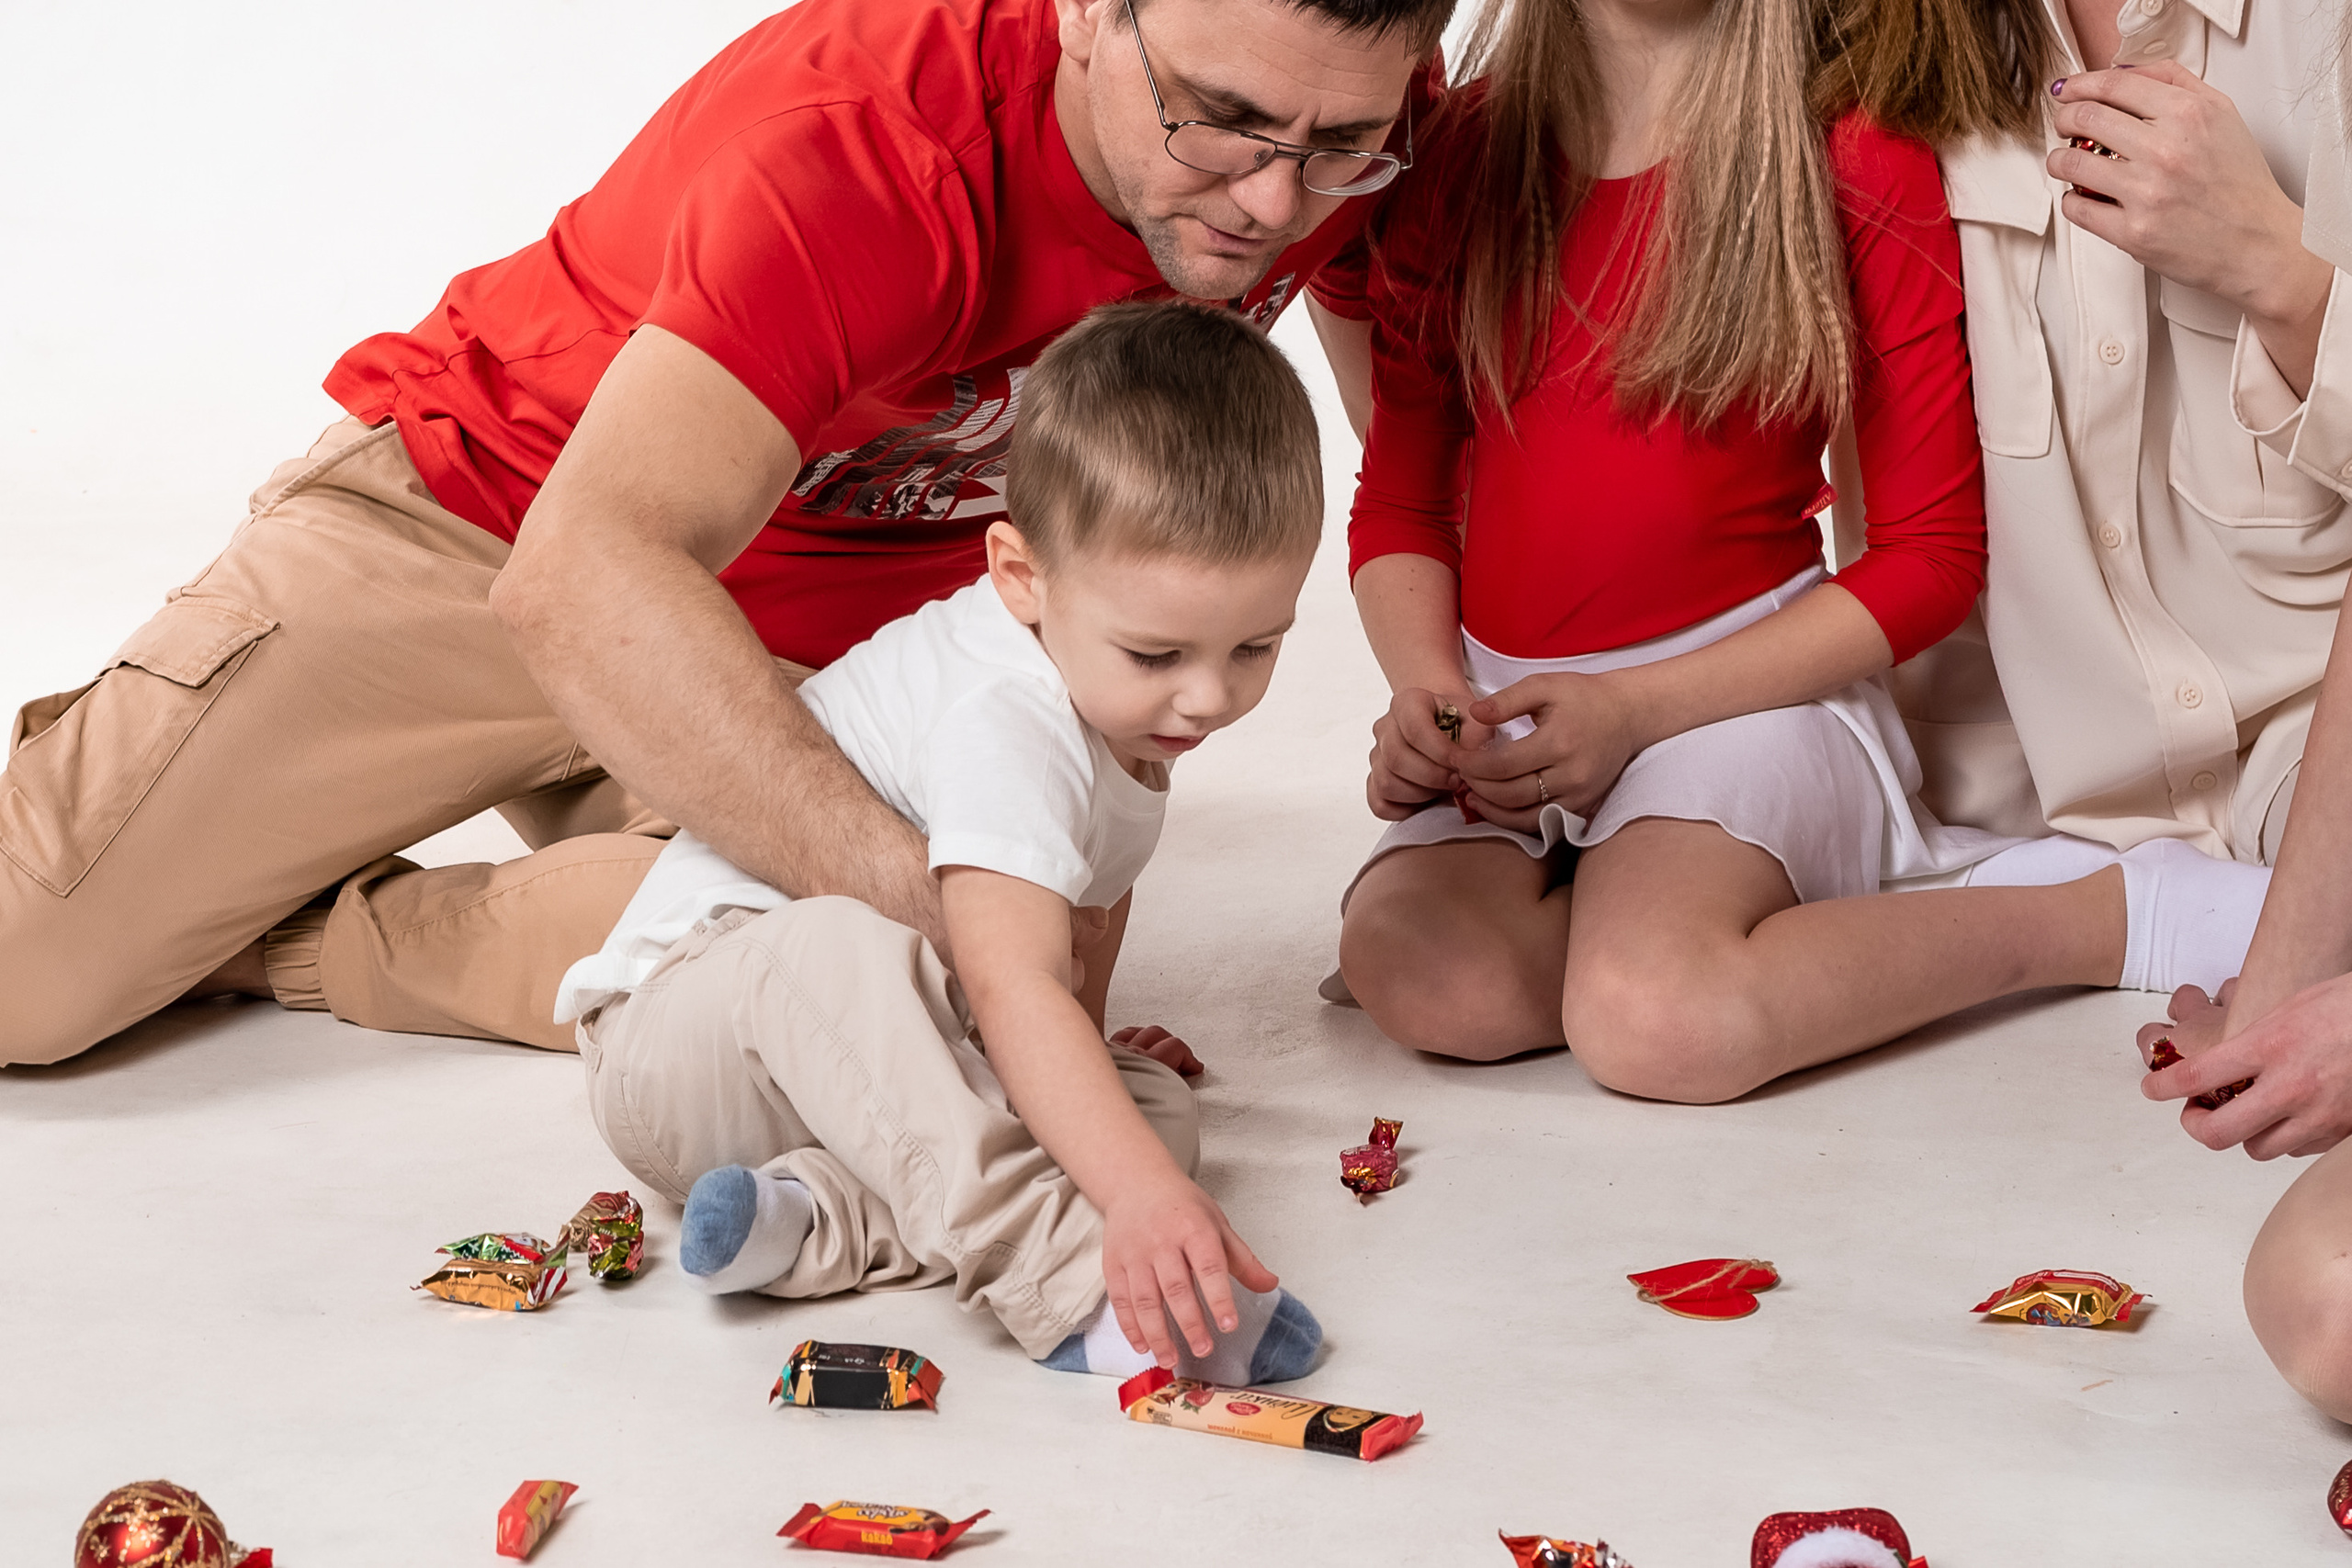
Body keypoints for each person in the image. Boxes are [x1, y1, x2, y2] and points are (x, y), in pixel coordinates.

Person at [0, 0, 1446, 1066]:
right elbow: (590, 567)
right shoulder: (869, 145)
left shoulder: (1331, 89)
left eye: (1337, 148)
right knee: (33, 982)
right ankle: (147, 879)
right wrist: (942, 898)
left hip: (825, 653)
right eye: (1219, 123)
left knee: (897, 990)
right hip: (493, 523)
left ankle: (259, 930)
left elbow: (1384, 348)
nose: (1272, 198)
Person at [1313, 0, 2271, 1103]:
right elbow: (1399, 505)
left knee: (1656, 1020)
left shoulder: (1849, 150)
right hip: (1508, 710)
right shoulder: (1464, 155)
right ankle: (1685, 892)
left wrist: (1631, 711)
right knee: (1436, 988)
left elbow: (1928, 558)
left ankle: (2100, 912)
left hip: (1744, 692)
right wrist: (1430, 701)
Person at [563, 301, 1326, 1380]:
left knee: (1146, 1113)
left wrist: (1096, 1081)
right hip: (689, 1049)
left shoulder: (1117, 698)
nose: (1205, 698)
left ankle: (809, 1222)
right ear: (1020, 576)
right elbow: (1011, 987)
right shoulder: (1006, 720)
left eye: (1256, 646)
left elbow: (1083, 916)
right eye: (1158, 653)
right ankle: (1063, 1284)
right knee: (843, 947)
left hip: (851, 1092)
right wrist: (1137, 1202)